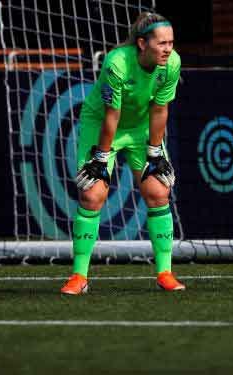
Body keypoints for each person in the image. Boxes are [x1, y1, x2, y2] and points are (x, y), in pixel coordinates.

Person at [60, 12, 184, 295]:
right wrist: (102, 157)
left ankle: (165, 272)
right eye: (162, 43)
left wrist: (154, 151)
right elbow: (111, 115)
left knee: (158, 192)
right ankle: (79, 277)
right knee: (92, 195)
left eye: (171, 42)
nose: (168, 48)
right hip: (102, 124)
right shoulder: (116, 63)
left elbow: (160, 109)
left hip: (141, 127)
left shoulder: (172, 64)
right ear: (142, 43)